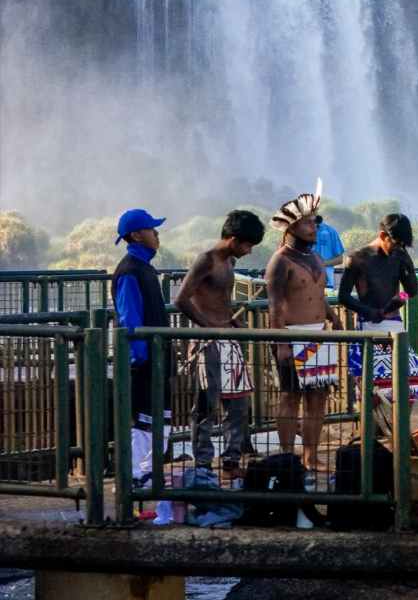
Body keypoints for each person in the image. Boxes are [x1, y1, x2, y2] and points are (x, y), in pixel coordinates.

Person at [173, 210, 266, 480]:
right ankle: (202, 463)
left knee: (237, 404)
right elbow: (182, 299)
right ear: (234, 239)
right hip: (208, 342)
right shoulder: (206, 260)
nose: (249, 251)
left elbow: (220, 299)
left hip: (227, 338)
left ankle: (230, 460)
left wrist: (232, 322)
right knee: (206, 404)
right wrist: (208, 327)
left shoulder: (229, 262)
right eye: (248, 245)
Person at [267, 189, 343, 471]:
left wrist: (333, 318)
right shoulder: (279, 261)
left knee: (318, 397)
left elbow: (318, 295)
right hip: (291, 332)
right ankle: (288, 458)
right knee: (290, 396)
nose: (315, 227)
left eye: (314, 222)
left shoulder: (313, 258)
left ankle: (311, 455)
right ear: (292, 227)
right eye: (309, 223)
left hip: (319, 333)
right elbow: (274, 307)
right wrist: (282, 343)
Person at [338, 214, 418, 416]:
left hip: (395, 325)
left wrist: (407, 268)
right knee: (373, 392)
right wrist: (368, 311)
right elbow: (343, 296)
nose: (399, 248)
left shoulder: (399, 256)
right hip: (369, 326)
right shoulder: (357, 258)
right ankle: (374, 437)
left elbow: (411, 292)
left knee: (408, 388)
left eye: (404, 245)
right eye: (396, 243)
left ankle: (398, 434)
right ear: (382, 235)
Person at [112, 208, 172, 488]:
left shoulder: (144, 268)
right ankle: (135, 479)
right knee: (143, 424)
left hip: (157, 360)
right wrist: (141, 358)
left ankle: (148, 477)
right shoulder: (130, 271)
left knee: (161, 420)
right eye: (152, 229)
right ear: (137, 235)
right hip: (146, 363)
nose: (157, 234)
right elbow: (129, 319)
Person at [313, 214, 345, 289]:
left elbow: (340, 259)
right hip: (304, 283)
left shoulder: (331, 231)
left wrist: (322, 263)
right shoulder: (299, 233)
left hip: (327, 284)